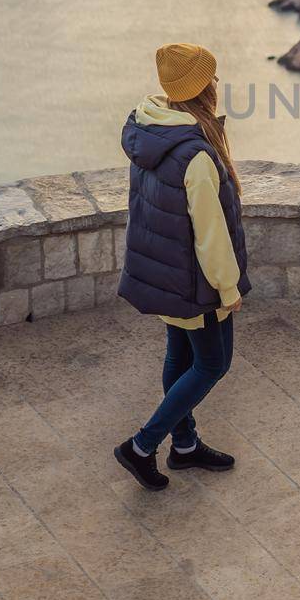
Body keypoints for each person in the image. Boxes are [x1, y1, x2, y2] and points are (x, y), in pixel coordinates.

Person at [113, 43, 250, 491]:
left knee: (180, 355)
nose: (215, 85)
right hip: (194, 281)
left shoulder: (151, 130)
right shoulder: (196, 156)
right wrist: (228, 289)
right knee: (213, 363)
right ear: (200, 89)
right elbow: (210, 235)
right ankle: (142, 445)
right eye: (210, 79)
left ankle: (185, 445)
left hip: (166, 273)